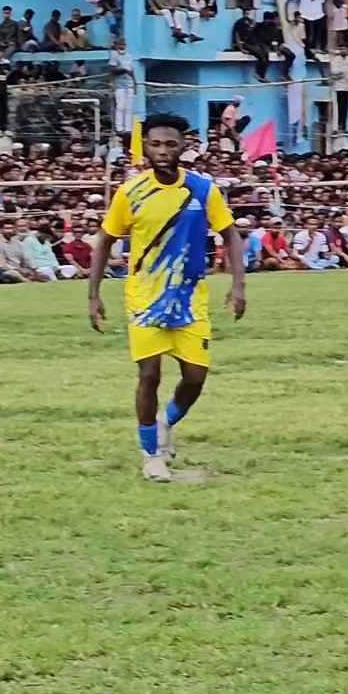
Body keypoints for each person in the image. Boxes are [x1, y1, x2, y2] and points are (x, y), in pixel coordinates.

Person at [88, 113, 247, 483]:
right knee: (150, 374)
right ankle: (151, 455)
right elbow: (106, 240)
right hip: (145, 299)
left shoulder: (202, 190)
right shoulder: (131, 193)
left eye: (170, 144)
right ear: (145, 147)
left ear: (183, 147)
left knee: (195, 377)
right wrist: (93, 294)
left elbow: (230, 235)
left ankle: (165, 423)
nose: (163, 150)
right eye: (155, 144)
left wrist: (238, 285)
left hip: (190, 299)